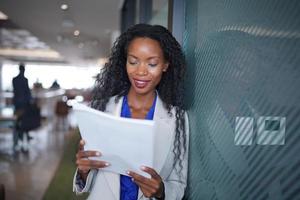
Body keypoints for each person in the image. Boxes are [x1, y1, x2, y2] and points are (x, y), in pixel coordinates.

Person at [73, 24, 189, 200]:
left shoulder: (177, 119)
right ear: (125, 62)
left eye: (152, 63)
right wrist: (83, 171)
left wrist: (162, 192)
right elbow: (89, 181)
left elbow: (178, 182)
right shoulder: (100, 109)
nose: (140, 71)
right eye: (133, 61)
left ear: (165, 65)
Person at [12, 63, 33, 151]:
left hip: (17, 104)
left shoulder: (15, 80)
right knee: (24, 121)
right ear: (23, 70)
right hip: (24, 104)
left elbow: (15, 91)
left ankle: (18, 138)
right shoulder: (24, 80)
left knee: (17, 121)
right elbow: (27, 92)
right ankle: (23, 136)